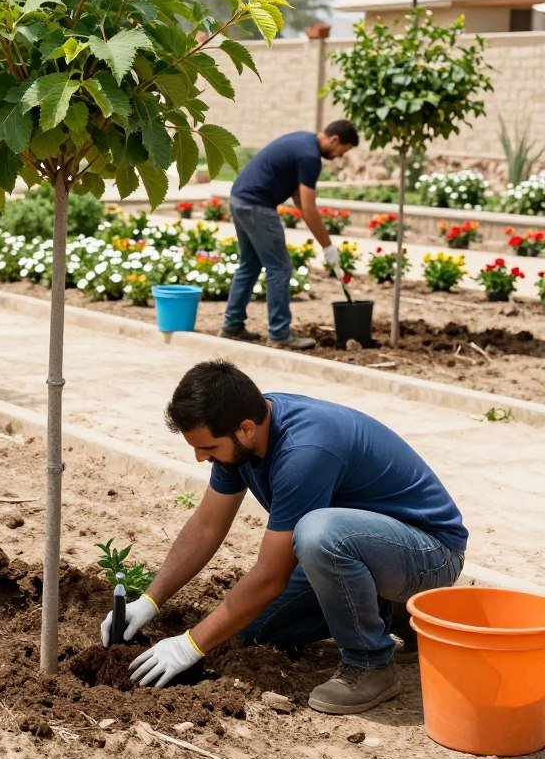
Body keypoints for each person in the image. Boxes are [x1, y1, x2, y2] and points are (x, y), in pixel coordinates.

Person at [101, 360, 467, 715]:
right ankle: (390, 611)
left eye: (207, 448)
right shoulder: (242, 435)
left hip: (429, 553)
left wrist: (190, 646)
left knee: (317, 532)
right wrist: (151, 599)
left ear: (245, 429)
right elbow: (207, 525)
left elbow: (271, 575)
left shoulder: (303, 451)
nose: (200, 458)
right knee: (253, 627)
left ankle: (369, 664)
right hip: (366, 551)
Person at [221, 120, 359, 351]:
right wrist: (327, 246)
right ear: (335, 140)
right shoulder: (310, 158)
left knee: (250, 264)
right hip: (257, 205)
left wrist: (316, 230)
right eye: (340, 151)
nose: (338, 156)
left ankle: (232, 326)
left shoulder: (303, 141)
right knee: (280, 268)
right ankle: (279, 333)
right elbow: (308, 209)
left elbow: (298, 196)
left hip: (239, 199)